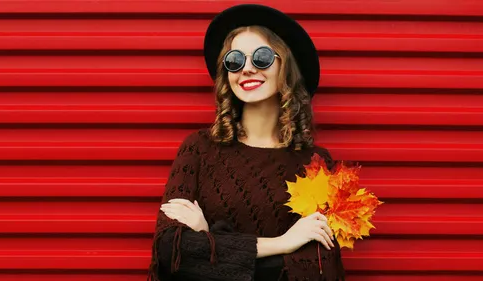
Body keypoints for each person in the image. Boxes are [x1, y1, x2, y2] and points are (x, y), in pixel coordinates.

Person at [147, 4, 345, 281]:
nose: (247, 69)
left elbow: (318, 268)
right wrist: (282, 243)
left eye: (261, 57)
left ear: (285, 66)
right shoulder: (199, 149)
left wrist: (210, 241)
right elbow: (171, 250)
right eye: (235, 60)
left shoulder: (315, 163)